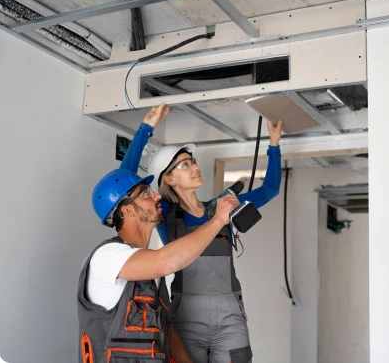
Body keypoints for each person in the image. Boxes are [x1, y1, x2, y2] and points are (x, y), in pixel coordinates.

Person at [77, 105, 241, 363]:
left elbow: (167, 333)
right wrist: (219, 219)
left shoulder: (150, 274)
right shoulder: (107, 257)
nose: (156, 195)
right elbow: (168, 260)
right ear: (126, 210)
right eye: (146, 193)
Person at [121, 103, 283, 363]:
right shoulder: (164, 213)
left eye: (193, 162)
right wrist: (145, 129)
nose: (195, 167)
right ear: (169, 179)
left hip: (230, 315)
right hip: (187, 316)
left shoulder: (223, 208)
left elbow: (270, 189)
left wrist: (274, 145)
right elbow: (123, 181)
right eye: (185, 165)